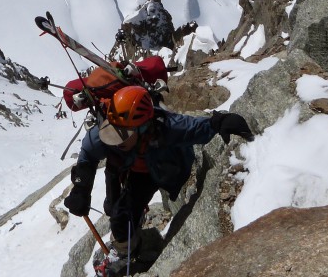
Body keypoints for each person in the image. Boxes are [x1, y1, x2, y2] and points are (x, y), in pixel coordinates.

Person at [63, 85, 254, 274]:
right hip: (125, 165)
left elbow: (193, 127)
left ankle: (127, 247)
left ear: (143, 127)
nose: (117, 140)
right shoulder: (109, 130)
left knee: (124, 213)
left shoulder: (167, 127)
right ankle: (125, 245)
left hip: (150, 172)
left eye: (123, 135)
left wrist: (220, 122)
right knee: (115, 211)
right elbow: (88, 153)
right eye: (114, 132)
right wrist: (81, 188)